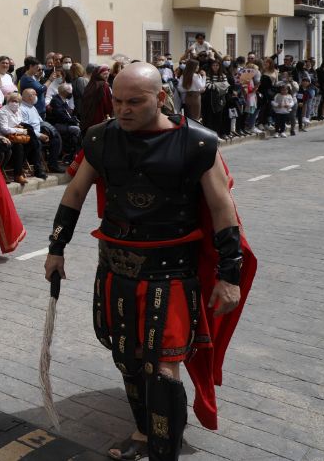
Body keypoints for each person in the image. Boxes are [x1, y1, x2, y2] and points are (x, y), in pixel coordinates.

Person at [43, 62, 252, 461]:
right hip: (115, 269)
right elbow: (74, 194)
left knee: (163, 368)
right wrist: (57, 248)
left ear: (159, 98)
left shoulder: (198, 143)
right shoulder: (100, 139)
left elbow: (223, 211)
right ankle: (143, 432)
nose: (123, 109)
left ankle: (164, 451)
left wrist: (230, 275)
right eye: (117, 101)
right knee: (128, 359)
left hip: (170, 274)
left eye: (134, 102)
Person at [47, 83, 81, 160]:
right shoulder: (56, 101)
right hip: (58, 125)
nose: (71, 93)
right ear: (64, 92)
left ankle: (73, 153)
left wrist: (75, 120)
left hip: (65, 123)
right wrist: (73, 121)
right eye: (69, 91)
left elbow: (68, 114)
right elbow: (61, 116)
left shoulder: (63, 100)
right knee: (77, 130)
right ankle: (74, 155)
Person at [80, 65, 113, 132]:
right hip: (99, 117)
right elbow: (107, 103)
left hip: (87, 117)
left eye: (107, 74)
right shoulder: (104, 85)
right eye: (104, 74)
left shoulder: (90, 84)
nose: (107, 76)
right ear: (98, 75)